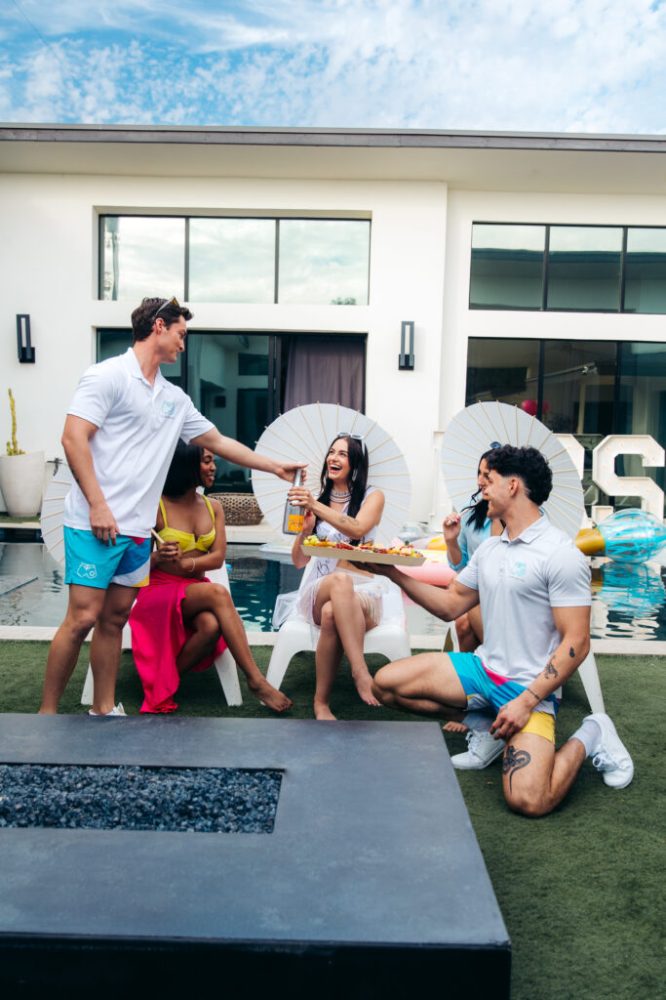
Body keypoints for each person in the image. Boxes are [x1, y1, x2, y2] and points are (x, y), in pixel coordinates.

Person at [40, 296, 302, 717]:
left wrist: (273, 466)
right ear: (159, 326)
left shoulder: (174, 399)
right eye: (181, 334)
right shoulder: (106, 376)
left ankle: (104, 710)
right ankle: (45, 718)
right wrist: (98, 505)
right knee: (83, 617)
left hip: (138, 531)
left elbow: (218, 442)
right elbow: (73, 438)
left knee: (113, 620)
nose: (184, 343)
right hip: (95, 522)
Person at [365, 445, 633, 817]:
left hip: (528, 688)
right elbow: (450, 604)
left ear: (512, 485)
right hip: (483, 671)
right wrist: (391, 572)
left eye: (487, 480)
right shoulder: (491, 549)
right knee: (387, 683)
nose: (480, 489)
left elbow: (577, 641)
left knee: (529, 800)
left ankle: (594, 733)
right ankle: (488, 727)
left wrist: (525, 702)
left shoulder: (560, 554)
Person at [129, 443, 291, 714]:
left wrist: (187, 562)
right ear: (186, 466)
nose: (213, 466)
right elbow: (133, 565)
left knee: (211, 625)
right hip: (157, 591)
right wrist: (159, 558)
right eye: (205, 461)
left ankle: (166, 679)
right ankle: (256, 680)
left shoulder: (213, 506)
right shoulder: (156, 506)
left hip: (192, 589)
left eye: (213, 460)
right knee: (218, 593)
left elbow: (217, 558)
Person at [278, 432, 387, 720]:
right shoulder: (318, 498)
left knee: (331, 614)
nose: (333, 458)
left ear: (356, 463)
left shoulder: (372, 497)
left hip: (364, 590)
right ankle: (360, 671)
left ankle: (320, 702)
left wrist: (314, 505)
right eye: (332, 452)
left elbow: (356, 528)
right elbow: (299, 561)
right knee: (339, 582)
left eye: (343, 454)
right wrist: (305, 530)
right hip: (321, 585)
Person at [443, 449, 501, 652]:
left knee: (474, 590)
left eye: (487, 476)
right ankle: (478, 670)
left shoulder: (522, 516)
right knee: (463, 622)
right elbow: (460, 565)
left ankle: (498, 658)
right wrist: (451, 540)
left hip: (509, 596)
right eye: (479, 473)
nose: (480, 481)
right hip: (478, 592)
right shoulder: (471, 510)